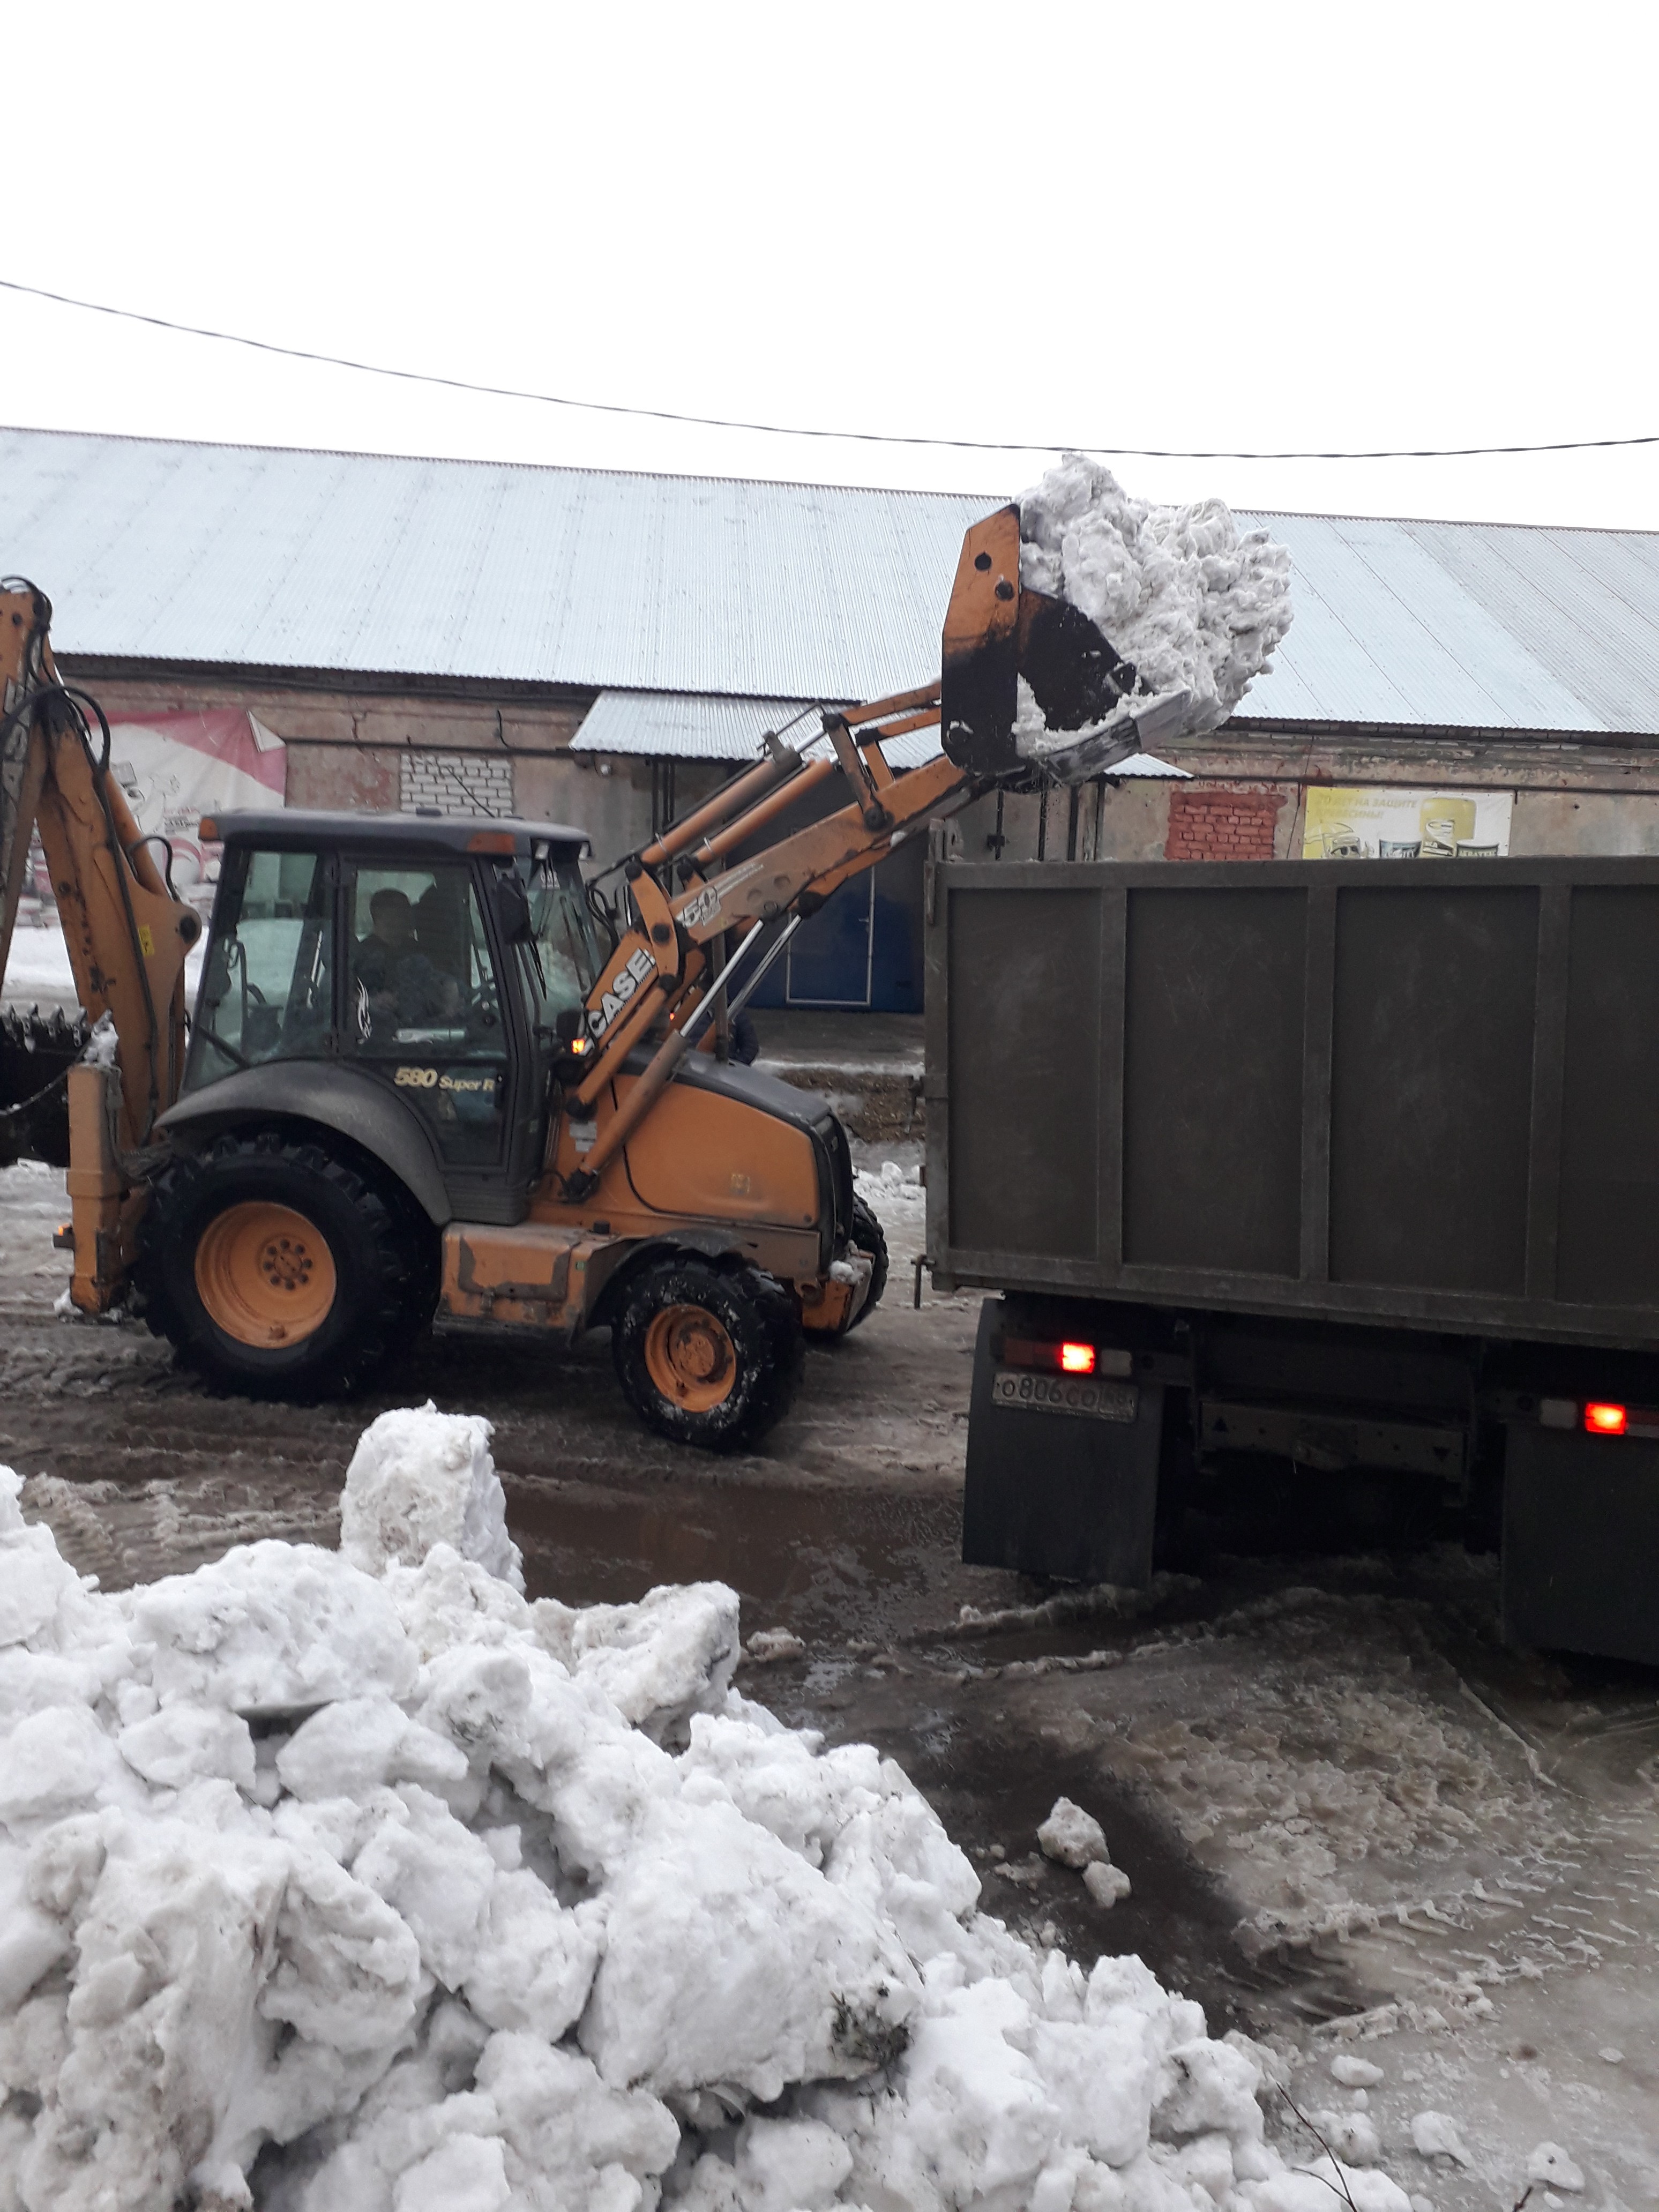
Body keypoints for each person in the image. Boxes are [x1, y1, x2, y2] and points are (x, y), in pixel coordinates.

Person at [357, 887, 461, 1034]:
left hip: (427, 1030)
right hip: (379, 1031)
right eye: (402, 911)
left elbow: (442, 980)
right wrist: (372, 1002)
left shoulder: (419, 951)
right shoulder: (362, 954)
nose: (410, 916)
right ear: (380, 915)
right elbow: (345, 996)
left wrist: (450, 996)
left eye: (408, 911)